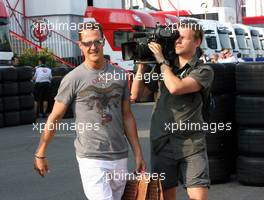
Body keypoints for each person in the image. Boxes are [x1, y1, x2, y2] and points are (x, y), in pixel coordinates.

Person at [33, 22, 145, 200]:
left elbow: (127, 116)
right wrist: (41, 152)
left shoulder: (120, 76)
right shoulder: (73, 78)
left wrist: (138, 153)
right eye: (87, 43)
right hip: (91, 157)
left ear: (103, 42)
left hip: (119, 155)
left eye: (97, 42)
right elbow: (55, 117)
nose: (93, 47)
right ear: (80, 46)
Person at [131, 19, 214, 200]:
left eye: (183, 38)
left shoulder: (203, 69)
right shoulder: (164, 66)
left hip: (191, 144)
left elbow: (176, 87)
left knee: (198, 197)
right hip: (163, 143)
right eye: (176, 37)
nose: (177, 41)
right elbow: (136, 94)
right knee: (166, 196)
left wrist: (161, 61)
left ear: (197, 41)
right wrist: (141, 65)